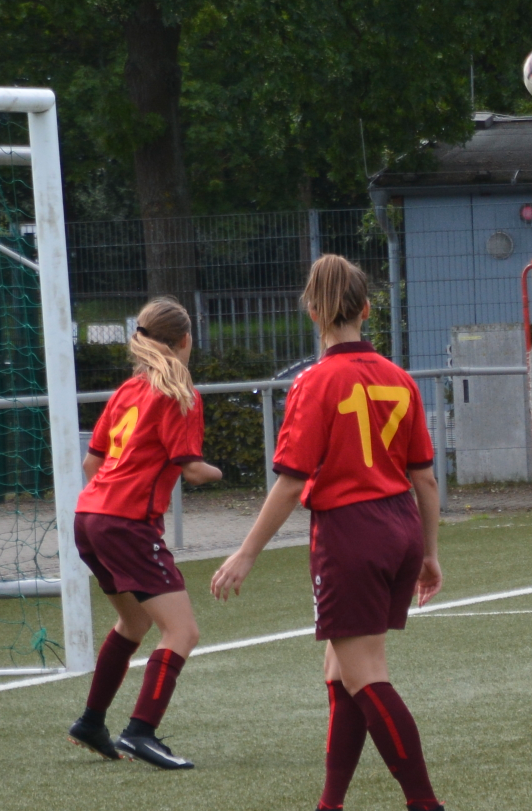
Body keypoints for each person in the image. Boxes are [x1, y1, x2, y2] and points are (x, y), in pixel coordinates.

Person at [210, 255, 446, 811]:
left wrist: (246, 553)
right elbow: (427, 480)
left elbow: (293, 484)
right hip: (402, 527)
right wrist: (430, 554)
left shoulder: (313, 383)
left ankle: (426, 804)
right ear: (367, 309)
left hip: (350, 533)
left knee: (366, 675)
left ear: (313, 312)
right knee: (341, 670)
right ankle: (330, 803)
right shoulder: (400, 378)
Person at [65, 297, 222, 769]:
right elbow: (193, 471)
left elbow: (92, 463)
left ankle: (92, 722)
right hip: (126, 524)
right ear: (185, 341)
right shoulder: (179, 394)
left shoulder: (127, 390)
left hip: (89, 518)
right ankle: (140, 732)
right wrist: (219, 471)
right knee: (182, 630)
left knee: (133, 623)